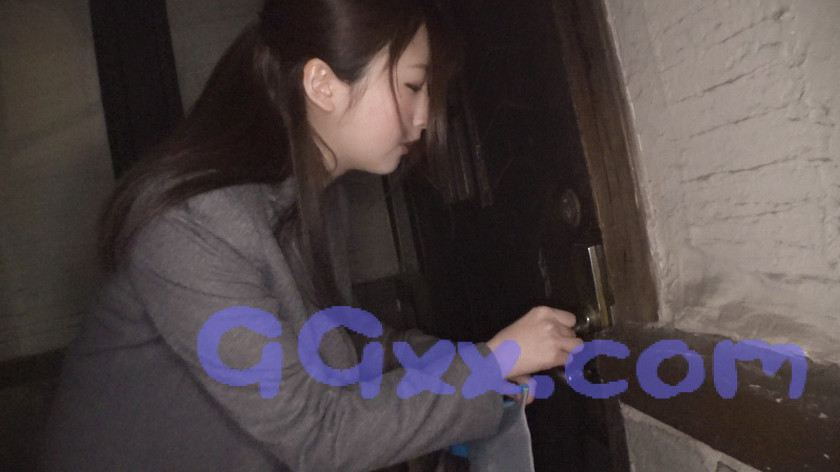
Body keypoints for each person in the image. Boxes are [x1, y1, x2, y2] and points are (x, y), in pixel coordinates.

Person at [42, 0, 582, 470]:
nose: (424, 117)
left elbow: (338, 346)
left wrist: (475, 361)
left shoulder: (309, 200)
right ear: (323, 85)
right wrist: (490, 363)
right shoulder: (195, 225)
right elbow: (318, 434)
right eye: (413, 86)